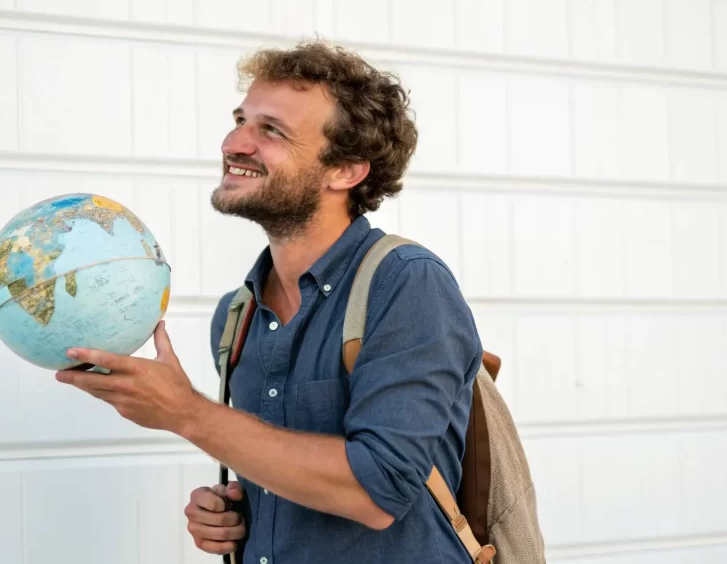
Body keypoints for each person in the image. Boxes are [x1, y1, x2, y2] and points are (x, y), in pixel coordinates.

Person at [55, 39, 484, 563]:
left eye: (271, 131)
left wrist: (186, 412)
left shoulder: (407, 284)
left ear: (345, 170)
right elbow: (278, 463)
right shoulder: (236, 318)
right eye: (240, 120)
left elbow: (378, 491)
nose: (233, 142)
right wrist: (238, 513)